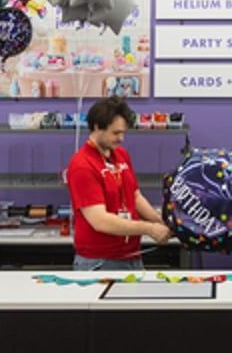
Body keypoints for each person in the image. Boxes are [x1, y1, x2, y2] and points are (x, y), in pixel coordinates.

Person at [66, 97, 171, 271]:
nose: (121, 138)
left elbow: (135, 196)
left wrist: (161, 221)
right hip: (100, 262)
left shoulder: (120, 155)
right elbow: (100, 221)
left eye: (123, 132)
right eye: (115, 133)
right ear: (97, 127)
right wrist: (149, 229)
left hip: (131, 256)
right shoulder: (82, 165)